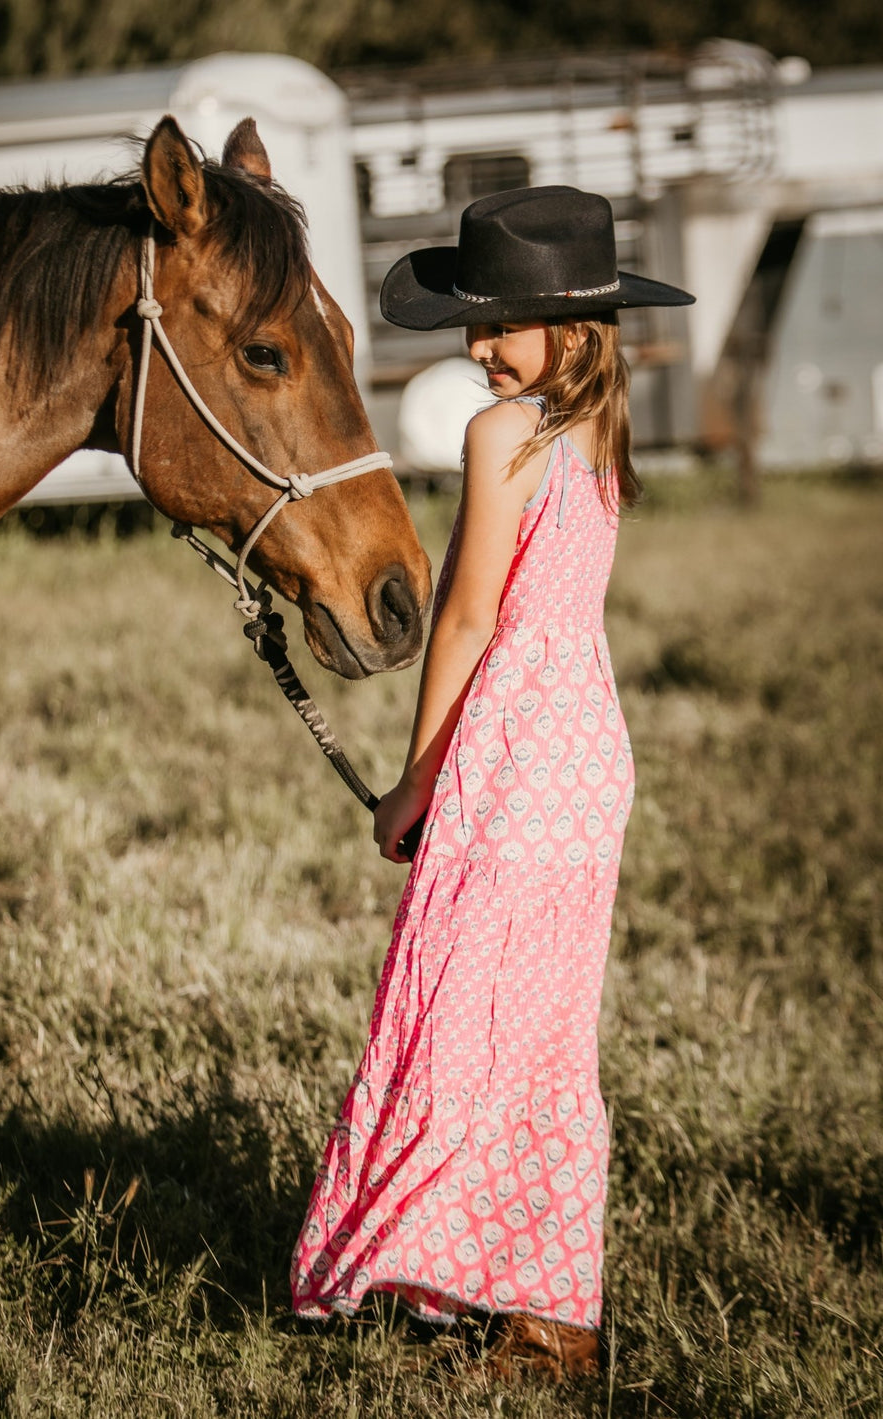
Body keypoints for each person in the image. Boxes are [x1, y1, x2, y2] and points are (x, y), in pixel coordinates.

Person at [290, 186, 694, 1381]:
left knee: (466, 1020)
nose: (475, 346)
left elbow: (469, 620)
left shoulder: (501, 434)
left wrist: (415, 781)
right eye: (472, 321)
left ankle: (500, 1288)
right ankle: (534, 1298)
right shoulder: (597, 435)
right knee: (540, 1034)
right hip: (587, 750)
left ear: (567, 328)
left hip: (516, 751)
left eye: (497, 323)